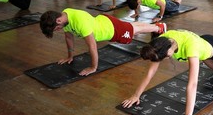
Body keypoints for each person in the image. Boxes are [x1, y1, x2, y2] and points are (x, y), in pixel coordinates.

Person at [121, 18, 213, 115]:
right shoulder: (161, 43)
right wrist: (135, 95)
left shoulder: (190, 48)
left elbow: (193, 84)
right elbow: (150, 72)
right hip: (204, 44)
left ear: (169, 53)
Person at [39, 8, 167, 76]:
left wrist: (93, 67)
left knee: (134, 30)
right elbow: (68, 37)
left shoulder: (79, 22)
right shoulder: (65, 15)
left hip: (110, 29)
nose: (59, 30)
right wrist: (70, 56)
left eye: (57, 29)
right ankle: (156, 27)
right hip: (104, 21)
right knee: (132, 27)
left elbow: (92, 46)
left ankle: (159, 27)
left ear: (58, 21)